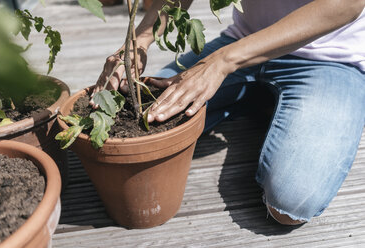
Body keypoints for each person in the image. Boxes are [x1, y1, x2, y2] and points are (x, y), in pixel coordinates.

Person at [95, 0, 365, 225]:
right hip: (243, 40)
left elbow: (346, 2)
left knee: (290, 204)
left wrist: (222, 62)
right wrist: (139, 41)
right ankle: (255, 98)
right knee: (136, 117)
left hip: (330, 59)